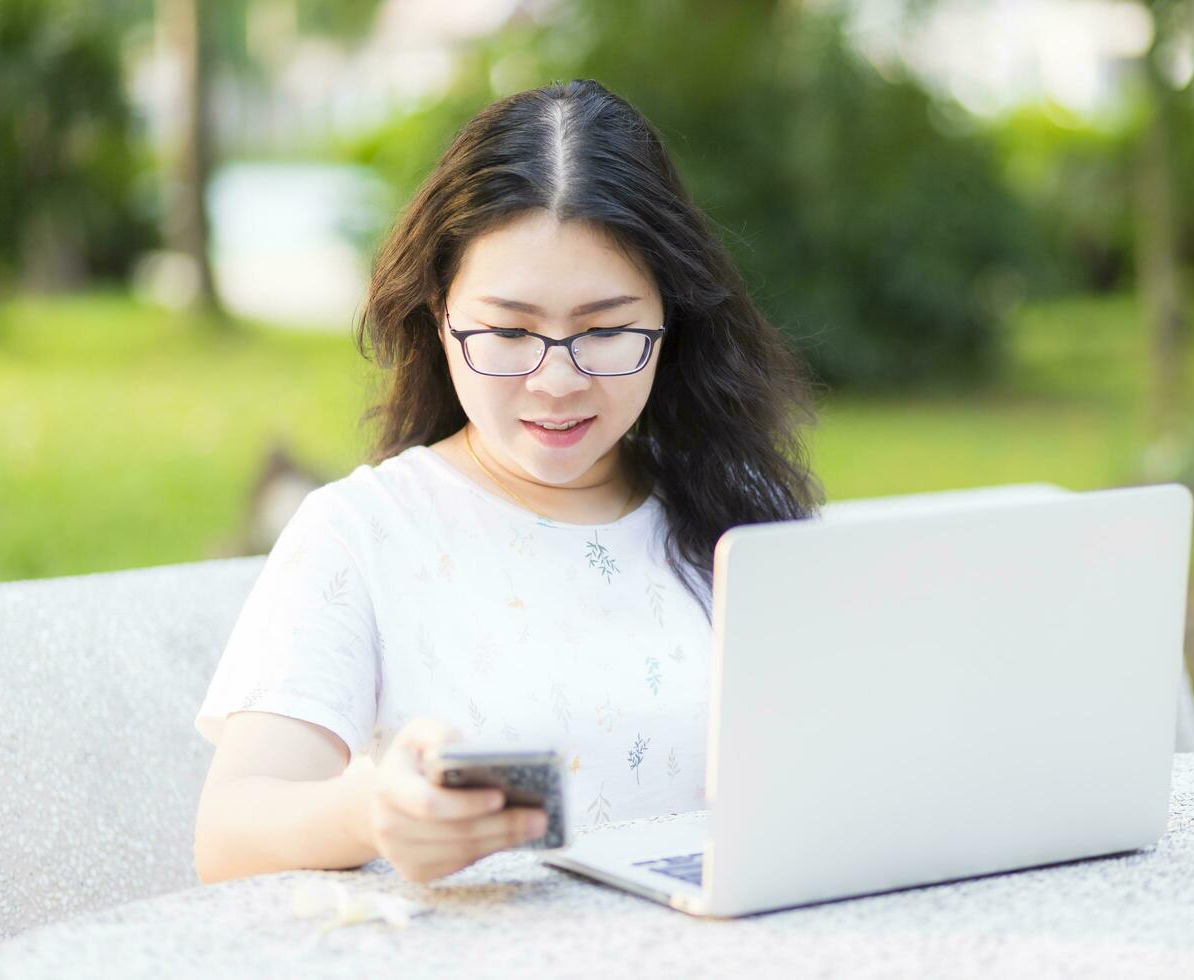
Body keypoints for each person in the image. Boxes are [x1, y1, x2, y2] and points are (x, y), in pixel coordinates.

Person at [192, 79, 823, 886]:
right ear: (436, 314)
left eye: (604, 329)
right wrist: (372, 813)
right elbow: (228, 831)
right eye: (509, 330)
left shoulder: (741, 509)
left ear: (673, 319)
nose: (555, 380)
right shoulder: (364, 532)